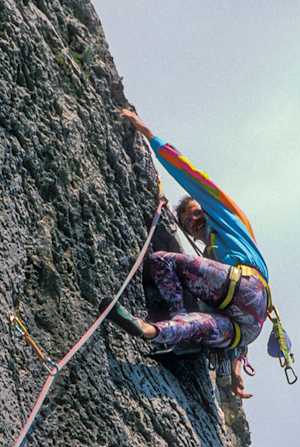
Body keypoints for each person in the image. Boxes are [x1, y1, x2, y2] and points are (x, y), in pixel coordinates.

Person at [101, 109, 274, 400]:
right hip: (243, 330)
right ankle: (153, 331)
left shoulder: (228, 221)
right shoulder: (213, 255)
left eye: (195, 212)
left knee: (162, 261)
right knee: (199, 324)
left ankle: (178, 317)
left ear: (205, 208)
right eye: (187, 223)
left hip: (246, 287)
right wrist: (236, 371)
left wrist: (149, 135)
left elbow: (191, 175)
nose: (194, 221)